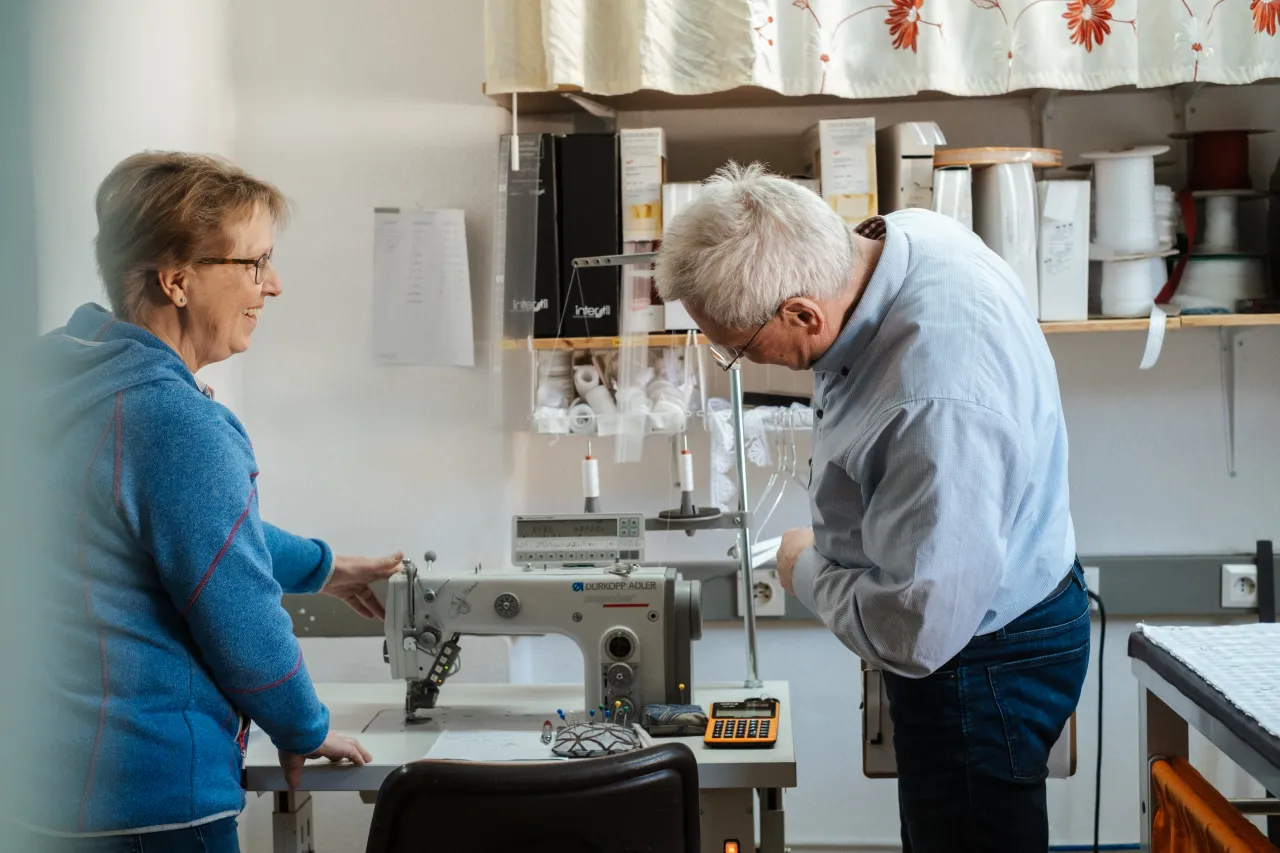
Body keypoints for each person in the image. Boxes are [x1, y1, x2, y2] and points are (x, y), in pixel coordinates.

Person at [655, 162, 1090, 852]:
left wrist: (803, 567)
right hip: (991, 609)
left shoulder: (935, 403)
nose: (735, 358)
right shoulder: (902, 241)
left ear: (803, 314)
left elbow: (916, 632)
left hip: (980, 662)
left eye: (736, 349)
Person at [20, 151, 402, 851]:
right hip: (149, 800)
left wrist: (325, 567)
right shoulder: (173, 420)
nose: (273, 285)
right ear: (177, 280)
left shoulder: (62, 380)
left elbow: (187, 530)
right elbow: (241, 615)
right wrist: (304, 726)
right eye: (255, 263)